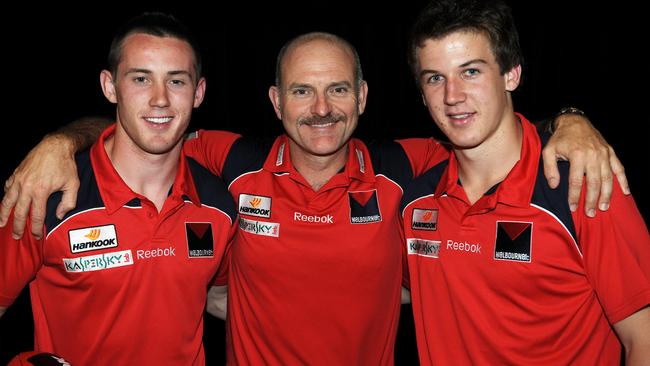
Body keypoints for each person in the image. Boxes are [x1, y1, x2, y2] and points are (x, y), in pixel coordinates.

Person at [0, 32, 626, 365]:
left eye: (336, 91)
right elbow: (145, 128)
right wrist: (60, 139)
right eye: (301, 92)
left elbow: (490, 131)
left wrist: (571, 122)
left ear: (363, 98)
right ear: (275, 102)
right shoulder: (230, 170)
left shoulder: (408, 172)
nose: (320, 110)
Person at [400, 0, 650, 364]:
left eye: (470, 72)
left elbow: (643, 338)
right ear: (422, 94)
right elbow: (396, 288)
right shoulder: (415, 202)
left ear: (511, 74)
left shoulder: (582, 184)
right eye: (435, 78)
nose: (452, 96)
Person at [0, 13, 236, 365]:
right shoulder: (46, 198)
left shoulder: (218, 205)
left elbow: (220, 299)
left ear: (198, 92)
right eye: (141, 78)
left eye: (176, 82)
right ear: (110, 87)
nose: (160, 99)